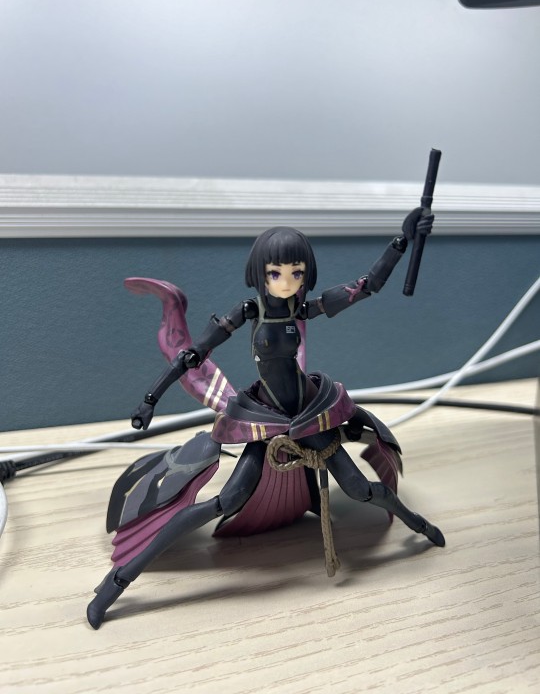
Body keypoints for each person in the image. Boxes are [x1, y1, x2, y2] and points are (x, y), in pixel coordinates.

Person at [87, 211, 444, 630]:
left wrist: (402, 241)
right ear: (260, 273)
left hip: (309, 414)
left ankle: (417, 524)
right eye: (276, 272)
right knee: (224, 501)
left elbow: (366, 286)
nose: (287, 281)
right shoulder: (247, 311)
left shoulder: (304, 309)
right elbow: (192, 355)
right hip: (265, 419)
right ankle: (120, 578)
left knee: (360, 488)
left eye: (297, 272)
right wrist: (151, 399)